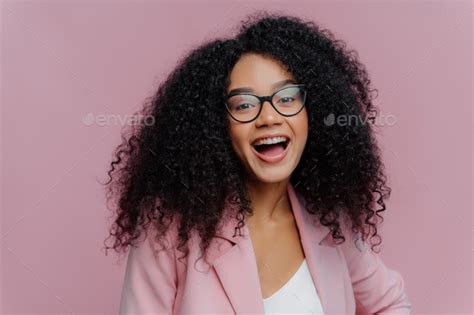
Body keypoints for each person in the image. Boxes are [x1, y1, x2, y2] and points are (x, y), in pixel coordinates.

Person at [103, 11, 412, 315]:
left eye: (287, 98)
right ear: (217, 125)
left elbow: (390, 303)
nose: (268, 118)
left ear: (312, 112)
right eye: (245, 105)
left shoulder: (331, 221)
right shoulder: (168, 229)